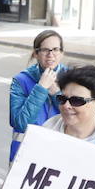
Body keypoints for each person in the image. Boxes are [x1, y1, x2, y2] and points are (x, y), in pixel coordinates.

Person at [7, 30, 67, 162]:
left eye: (56, 49)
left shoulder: (72, 78)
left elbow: (80, 116)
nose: (50, 55)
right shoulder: (21, 80)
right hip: (26, 154)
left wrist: (57, 94)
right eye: (45, 50)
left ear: (62, 53)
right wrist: (41, 89)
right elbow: (20, 123)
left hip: (61, 153)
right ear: (36, 53)